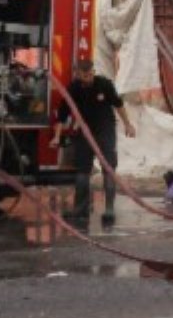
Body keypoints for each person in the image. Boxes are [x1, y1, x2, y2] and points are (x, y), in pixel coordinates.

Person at [51, 59, 136, 233]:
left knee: (108, 170)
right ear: (78, 74)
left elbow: (118, 104)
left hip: (105, 132)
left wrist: (128, 124)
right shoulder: (73, 89)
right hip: (84, 133)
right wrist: (56, 137)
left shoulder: (104, 84)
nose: (89, 77)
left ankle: (109, 209)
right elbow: (62, 115)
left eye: (90, 74)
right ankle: (80, 209)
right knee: (82, 172)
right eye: (85, 75)